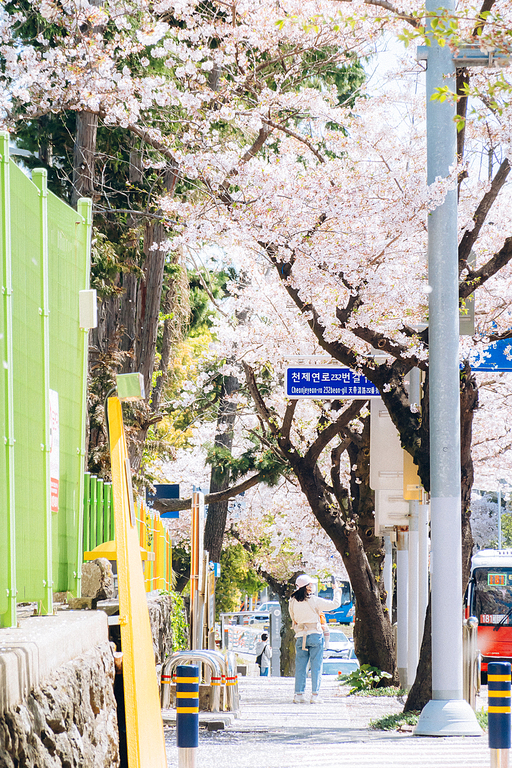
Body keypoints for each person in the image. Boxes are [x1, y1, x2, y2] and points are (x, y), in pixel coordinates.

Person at [289, 574, 341, 704]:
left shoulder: (292, 601)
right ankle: (315, 695)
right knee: (316, 666)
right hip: (315, 635)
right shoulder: (314, 600)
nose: (312, 586)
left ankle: (299, 694)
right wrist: (337, 590)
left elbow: (293, 618)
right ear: (307, 587)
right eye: (310, 584)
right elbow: (335, 604)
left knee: (301, 666)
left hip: (301, 636)